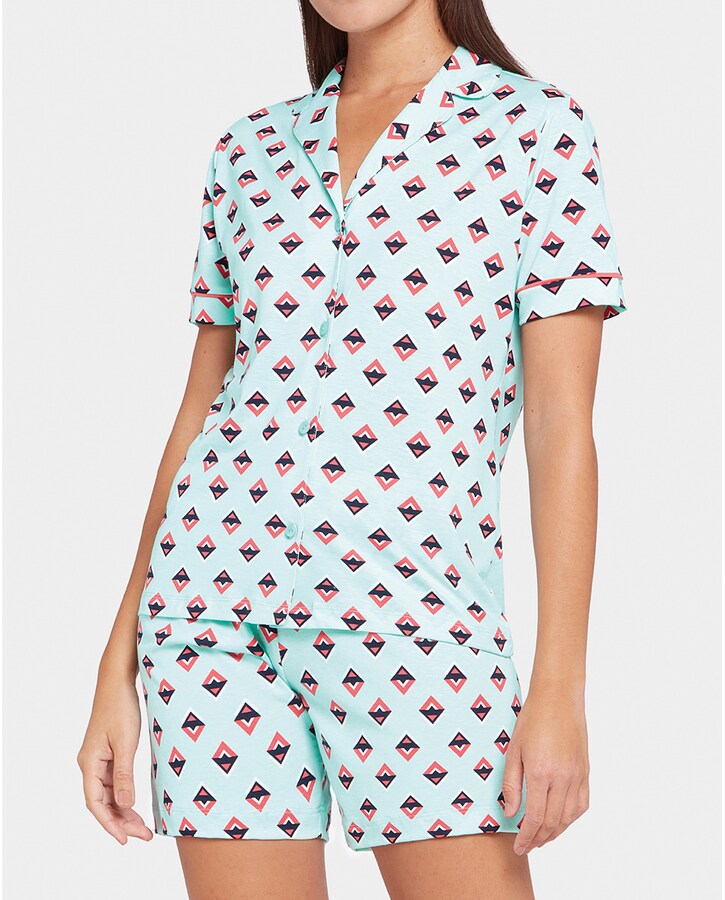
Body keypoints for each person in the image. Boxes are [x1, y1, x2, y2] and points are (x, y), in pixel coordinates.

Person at [77, 0, 627, 896]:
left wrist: (559, 687)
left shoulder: (536, 131)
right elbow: (199, 412)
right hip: (208, 620)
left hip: (415, 617)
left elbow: (560, 425)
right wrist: (118, 659)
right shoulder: (249, 150)